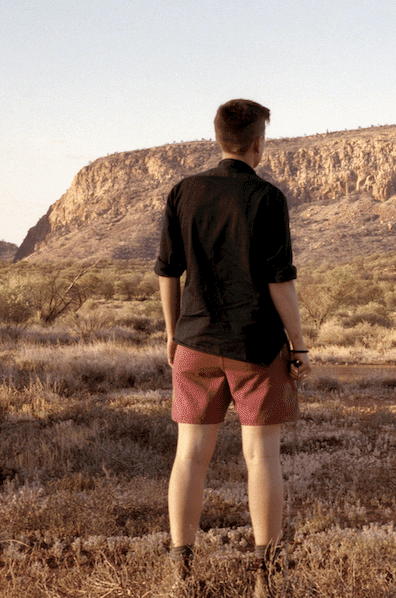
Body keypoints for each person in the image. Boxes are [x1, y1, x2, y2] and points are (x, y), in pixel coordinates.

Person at [155, 98, 310, 593]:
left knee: (189, 456)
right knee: (262, 457)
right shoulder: (267, 198)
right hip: (255, 346)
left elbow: (167, 270)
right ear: (259, 141)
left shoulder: (184, 191)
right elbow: (279, 281)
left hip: (194, 342)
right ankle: (266, 578)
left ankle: (181, 569)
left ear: (217, 135)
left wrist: (172, 331)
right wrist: (299, 346)